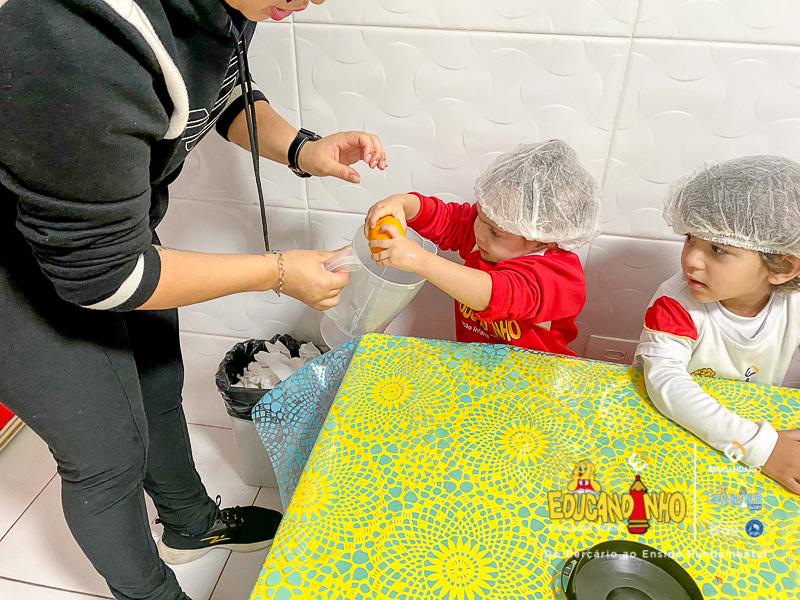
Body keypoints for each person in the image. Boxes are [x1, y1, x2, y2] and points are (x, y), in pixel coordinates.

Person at [0, 1, 387, 599]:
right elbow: (108, 278)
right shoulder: (74, 41)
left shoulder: (234, 4)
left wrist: (302, 150)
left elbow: (218, 95)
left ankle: (189, 523)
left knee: (157, 382)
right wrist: (279, 273)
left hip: (99, 235)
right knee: (107, 454)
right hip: (22, 267)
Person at [635, 156, 800, 495]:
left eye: (717, 249)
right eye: (690, 238)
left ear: (782, 267)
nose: (690, 259)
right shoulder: (676, 303)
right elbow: (666, 382)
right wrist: (762, 448)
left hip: (743, 432)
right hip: (670, 431)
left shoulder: (792, 305)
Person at [364, 140, 601, 354]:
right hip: (479, 368)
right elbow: (447, 219)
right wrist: (403, 204)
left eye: (495, 232)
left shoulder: (558, 277)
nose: (479, 233)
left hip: (536, 378)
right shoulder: (489, 235)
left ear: (541, 240)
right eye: (479, 214)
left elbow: (495, 294)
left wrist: (419, 260)